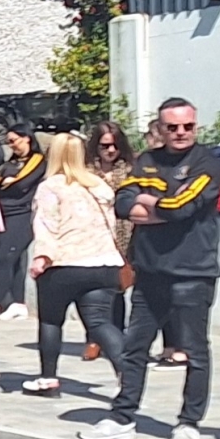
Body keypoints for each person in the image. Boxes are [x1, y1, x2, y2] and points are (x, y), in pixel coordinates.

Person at [81, 97, 220, 439]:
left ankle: (189, 423)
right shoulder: (146, 161)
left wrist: (151, 203)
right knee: (135, 347)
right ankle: (122, 416)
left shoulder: (207, 163)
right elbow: (123, 202)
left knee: (194, 351)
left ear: (196, 126)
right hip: (149, 271)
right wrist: (150, 204)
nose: (180, 133)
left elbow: (184, 206)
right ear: (160, 129)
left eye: (187, 126)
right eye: (172, 127)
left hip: (193, 272)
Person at [21, 133, 125, 397]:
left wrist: (41, 259)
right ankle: (127, 376)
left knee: (51, 322)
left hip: (64, 265)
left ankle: (48, 380)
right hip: (103, 263)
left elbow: (45, 226)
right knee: (100, 322)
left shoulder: (50, 187)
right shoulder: (99, 187)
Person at [83, 121, 135, 361]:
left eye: (115, 145)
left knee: (118, 288)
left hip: (124, 234)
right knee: (92, 291)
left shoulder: (130, 169)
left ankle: (117, 337)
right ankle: (94, 338)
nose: (111, 150)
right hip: (92, 235)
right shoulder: (85, 171)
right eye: (105, 146)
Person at [0, 122, 46, 321]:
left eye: (13, 141)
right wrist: (8, 182)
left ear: (26, 138)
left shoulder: (37, 159)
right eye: (8, 142)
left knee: (6, 257)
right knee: (12, 259)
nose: (11, 145)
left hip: (22, 214)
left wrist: (11, 182)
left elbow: (23, 184)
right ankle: (17, 302)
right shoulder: (10, 162)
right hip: (3, 213)